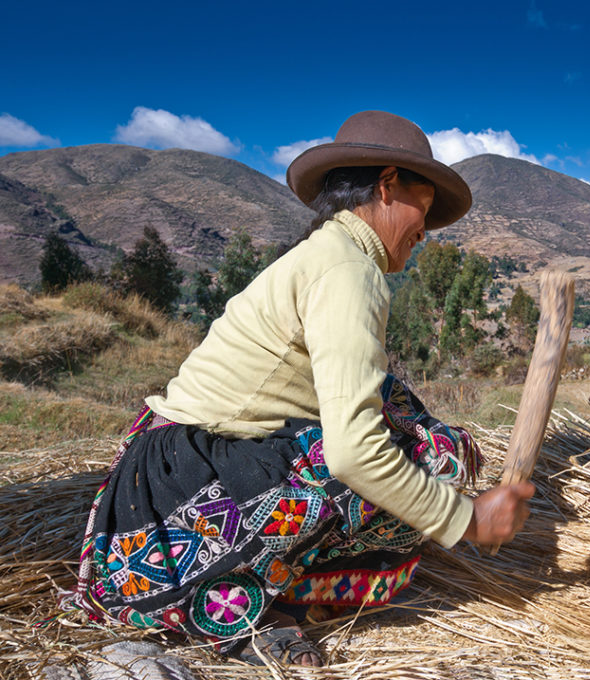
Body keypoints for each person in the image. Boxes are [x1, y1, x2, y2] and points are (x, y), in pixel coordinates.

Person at [68, 111, 535, 667]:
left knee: (408, 416)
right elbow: (353, 451)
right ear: (387, 187)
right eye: (424, 210)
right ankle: (251, 603)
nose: (425, 232)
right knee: (428, 467)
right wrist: (467, 520)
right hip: (173, 523)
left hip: (152, 497)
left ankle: (274, 579)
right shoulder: (348, 271)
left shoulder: (329, 253)